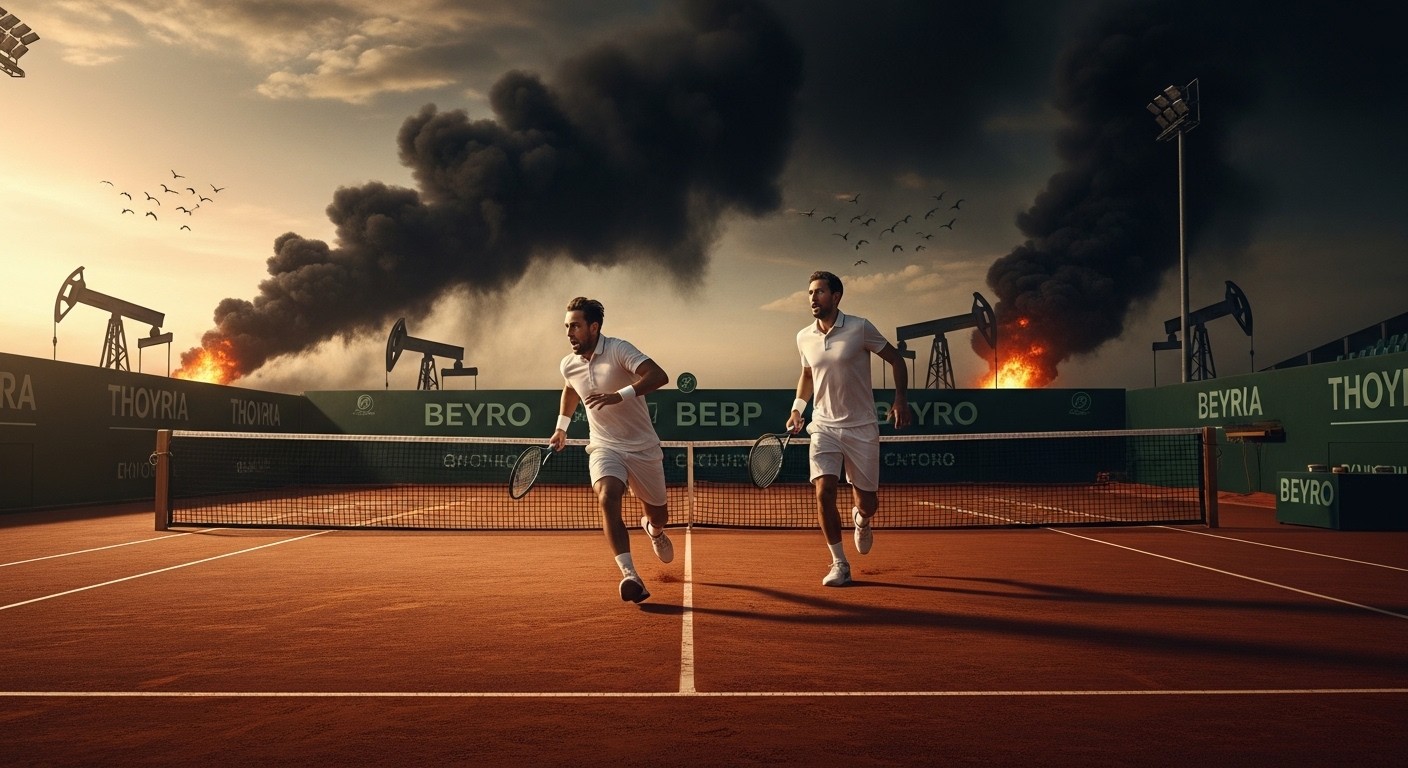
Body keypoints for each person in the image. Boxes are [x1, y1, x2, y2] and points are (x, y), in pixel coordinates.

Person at [786, 270, 911, 587]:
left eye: (819, 292)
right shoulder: (804, 337)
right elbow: (807, 375)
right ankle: (839, 563)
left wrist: (900, 399)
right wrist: (797, 410)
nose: (813, 297)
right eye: (810, 292)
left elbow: (896, 360)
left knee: (867, 502)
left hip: (861, 428)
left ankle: (863, 519)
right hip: (823, 426)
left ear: (836, 296)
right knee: (823, 491)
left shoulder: (860, 327)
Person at [549, 296, 673, 603]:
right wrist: (562, 427)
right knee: (607, 496)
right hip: (605, 445)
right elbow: (570, 388)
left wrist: (620, 395)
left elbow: (659, 376)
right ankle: (631, 575)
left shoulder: (619, 349)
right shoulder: (568, 364)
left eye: (575, 326)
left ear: (593, 327)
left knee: (659, 515)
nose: (569, 333)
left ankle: (654, 531)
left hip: (643, 447)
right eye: (566, 327)